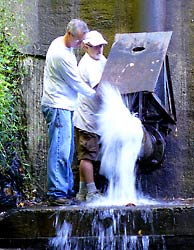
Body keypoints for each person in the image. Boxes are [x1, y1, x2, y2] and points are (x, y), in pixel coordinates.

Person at [41, 19, 96, 206]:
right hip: (58, 106)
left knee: (66, 149)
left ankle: (64, 190)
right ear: (69, 34)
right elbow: (77, 83)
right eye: (79, 41)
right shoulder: (60, 55)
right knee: (60, 151)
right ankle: (56, 193)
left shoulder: (61, 43)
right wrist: (96, 95)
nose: (81, 45)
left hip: (63, 105)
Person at [74, 30, 108, 202]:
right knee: (87, 156)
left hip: (94, 117)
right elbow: (100, 90)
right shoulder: (87, 65)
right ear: (86, 46)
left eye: (102, 45)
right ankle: (92, 193)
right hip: (87, 118)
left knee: (86, 154)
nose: (100, 49)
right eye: (96, 46)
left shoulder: (101, 59)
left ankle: (82, 192)